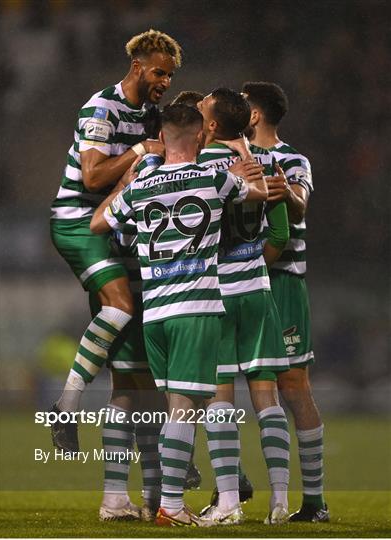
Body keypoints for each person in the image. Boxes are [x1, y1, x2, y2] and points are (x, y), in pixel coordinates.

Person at [91, 103, 267, 527]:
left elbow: (99, 223)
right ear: (201, 138)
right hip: (196, 308)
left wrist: (128, 182)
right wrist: (244, 166)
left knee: (178, 405)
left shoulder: (141, 186)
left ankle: (175, 501)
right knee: (187, 408)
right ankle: (172, 504)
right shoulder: (212, 177)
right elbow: (259, 194)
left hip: (155, 314)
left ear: (163, 138)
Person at [49, 29, 182, 453]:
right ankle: (66, 406)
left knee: (129, 362)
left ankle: (126, 491)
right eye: (160, 72)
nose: (165, 82)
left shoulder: (150, 113)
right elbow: (92, 177)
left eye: (171, 76)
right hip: (78, 220)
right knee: (121, 305)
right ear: (137, 66)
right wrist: (139, 151)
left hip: (118, 227)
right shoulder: (101, 108)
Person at [197, 88, 291, 524]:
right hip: (257, 289)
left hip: (215, 292)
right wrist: (252, 264)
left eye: (202, 110)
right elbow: (279, 233)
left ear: (213, 122)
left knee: (221, 397)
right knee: (267, 397)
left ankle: (229, 502)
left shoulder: (198, 167)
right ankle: (280, 501)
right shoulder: (268, 163)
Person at [242, 81, 329, 522]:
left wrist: (285, 191)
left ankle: (313, 501)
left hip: (282, 283)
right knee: (215, 385)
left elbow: (300, 207)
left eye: (243, 105)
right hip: (237, 282)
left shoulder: (292, 160)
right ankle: (232, 485)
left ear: (254, 115)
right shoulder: (229, 156)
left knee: (294, 386)